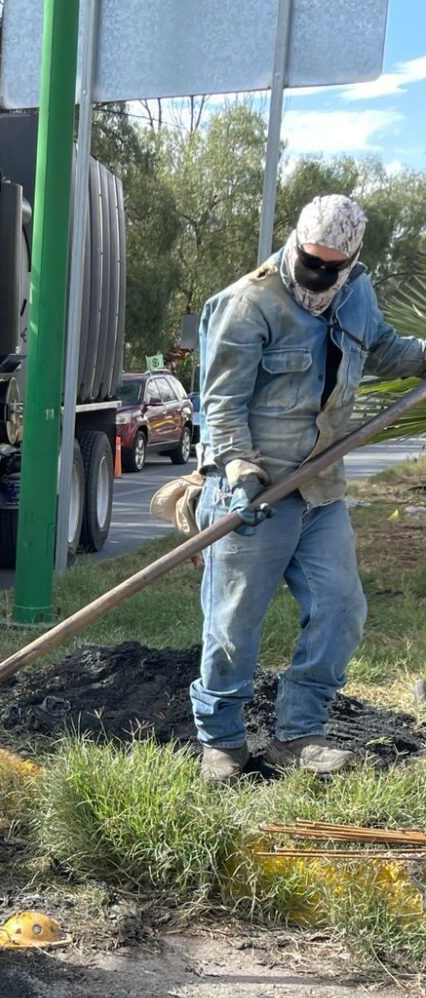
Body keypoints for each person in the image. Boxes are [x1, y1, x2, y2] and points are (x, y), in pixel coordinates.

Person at [192, 194, 426, 783]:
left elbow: (381, 349)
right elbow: (220, 404)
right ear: (294, 244)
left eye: (332, 266)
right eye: (310, 261)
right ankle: (221, 739)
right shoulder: (248, 304)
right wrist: (239, 472)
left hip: (320, 487)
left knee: (341, 608)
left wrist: (422, 358)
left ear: (350, 263)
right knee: (233, 622)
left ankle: (299, 733)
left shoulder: (356, 294)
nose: (318, 274)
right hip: (255, 491)